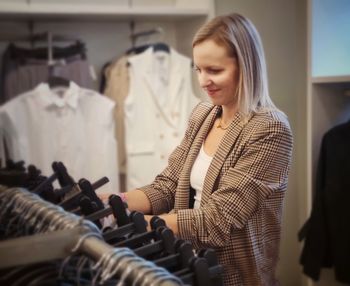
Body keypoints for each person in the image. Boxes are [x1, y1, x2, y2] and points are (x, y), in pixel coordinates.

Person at [112, 13, 293, 286]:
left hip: (233, 276)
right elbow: (168, 185)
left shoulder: (269, 129)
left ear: (246, 66)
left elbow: (216, 221)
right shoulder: (204, 113)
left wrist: (136, 224)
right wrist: (114, 203)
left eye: (214, 70)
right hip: (186, 267)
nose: (202, 81)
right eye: (198, 70)